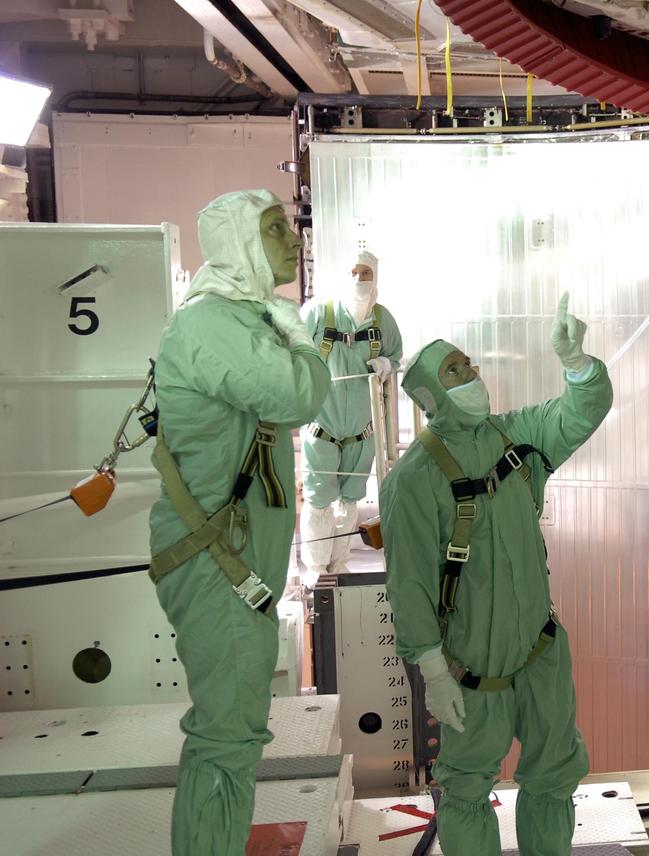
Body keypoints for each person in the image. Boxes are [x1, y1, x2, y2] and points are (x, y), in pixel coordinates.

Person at [381, 293, 612, 856]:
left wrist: (577, 364)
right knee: (465, 789)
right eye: (455, 371)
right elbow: (409, 585)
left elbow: (580, 412)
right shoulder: (412, 480)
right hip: (471, 671)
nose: (471, 374)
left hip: (540, 651)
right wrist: (432, 670)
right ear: (430, 396)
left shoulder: (517, 438)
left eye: (469, 364)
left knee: (554, 774)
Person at [148, 189, 328, 856]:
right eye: (274, 227)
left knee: (236, 731)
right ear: (238, 243)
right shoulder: (212, 324)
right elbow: (298, 394)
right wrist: (302, 338)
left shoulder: (244, 319)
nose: (292, 238)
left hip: (233, 559)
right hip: (217, 561)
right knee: (227, 737)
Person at [299, 250, 403, 579]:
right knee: (319, 499)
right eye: (354, 272)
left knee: (350, 499)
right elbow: (291, 349)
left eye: (366, 273)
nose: (360, 279)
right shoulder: (319, 313)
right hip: (321, 427)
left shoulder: (383, 320)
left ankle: (339, 564)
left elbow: (396, 356)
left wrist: (385, 364)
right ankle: (317, 569)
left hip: (362, 431)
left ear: (376, 277)